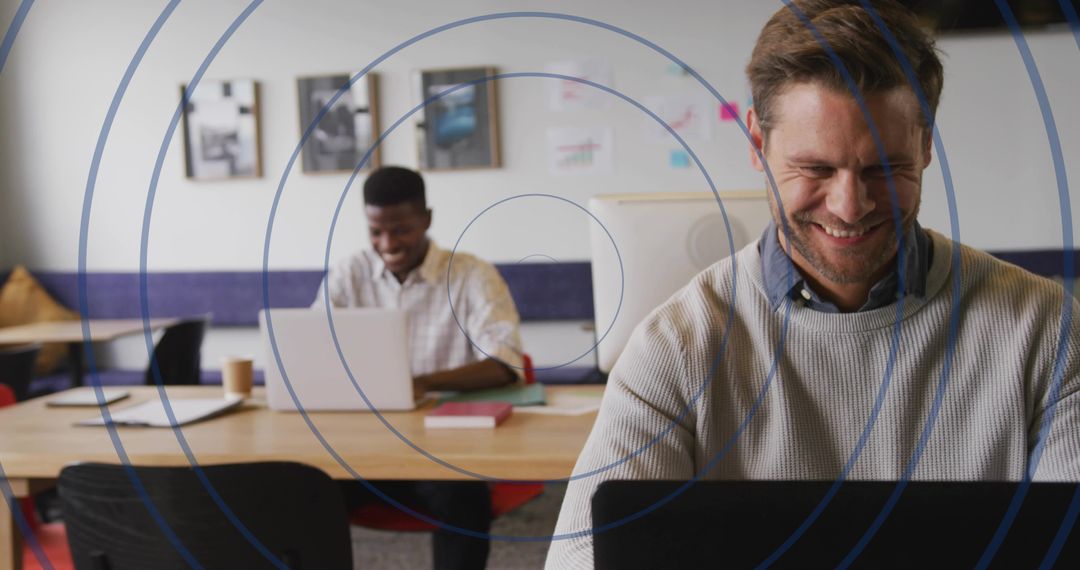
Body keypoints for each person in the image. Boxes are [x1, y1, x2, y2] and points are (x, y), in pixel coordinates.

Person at [546, 1, 1080, 567]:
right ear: (757, 141)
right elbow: (584, 557)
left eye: (884, 169)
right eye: (816, 170)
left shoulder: (1044, 330)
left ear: (926, 146)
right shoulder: (676, 345)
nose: (850, 207)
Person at [313, 165, 523, 570]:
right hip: (365, 449)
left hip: (445, 451)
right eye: (376, 231)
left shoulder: (471, 275)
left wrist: (417, 384)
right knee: (302, 494)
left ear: (426, 220)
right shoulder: (348, 274)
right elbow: (314, 351)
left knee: (463, 500)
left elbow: (504, 363)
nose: (387, 243)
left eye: (402, 229)